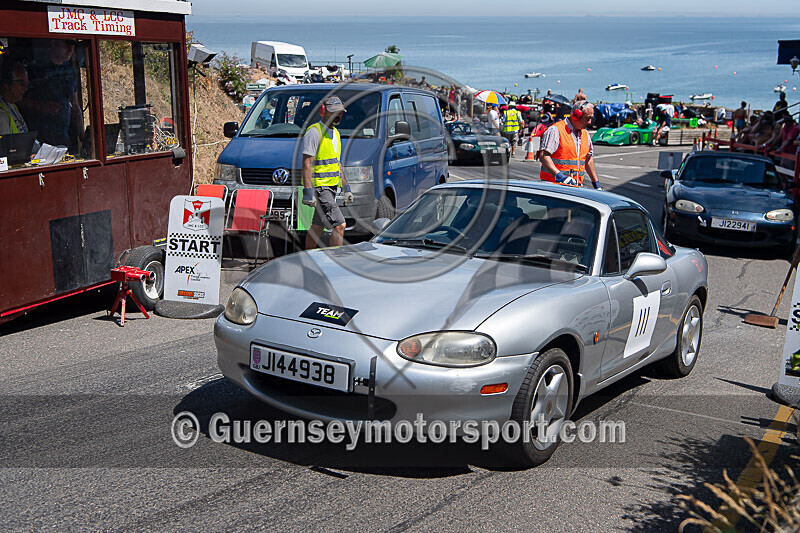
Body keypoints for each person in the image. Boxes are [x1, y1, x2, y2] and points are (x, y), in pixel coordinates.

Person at [301, 96, 353, 250]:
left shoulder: (335, 133)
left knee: (317, 226)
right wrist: (308, 191)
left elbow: (337, 163)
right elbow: (306, 163)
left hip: (331, 188)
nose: (337, 116)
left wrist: (346, 187)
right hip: (321, 188)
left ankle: (307, 256)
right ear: (323, 111)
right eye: (333, 112)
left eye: (339, 113)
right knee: (340, 225)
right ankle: (334, 262)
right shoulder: (314, 132)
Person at [22, 39, 83, 151]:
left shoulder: (70, 70)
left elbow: (75, 105)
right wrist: (40, 106)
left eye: (73, 46)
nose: (70, 50)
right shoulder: (35, 70)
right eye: (66, 45)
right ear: (53, 43)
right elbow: (17, 101)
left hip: (64, 135)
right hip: (41, 137)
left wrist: (82, 134)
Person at [538, 100, 602, 190]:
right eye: (587, 118)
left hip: (575, 188)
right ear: (576, 115)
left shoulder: (585, 133)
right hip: (553, 188)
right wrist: (560, 176)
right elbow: (544, 156)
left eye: (591, 118)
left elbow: (588, 159)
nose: (589, 122)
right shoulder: (556, 130)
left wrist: (596, 184)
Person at [0, 58, 29, 135]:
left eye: (27, 83)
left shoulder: (12, 106)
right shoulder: (2, 115)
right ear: (6, 84)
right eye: (21, 84)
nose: (26, 88)